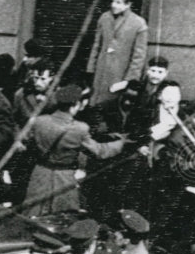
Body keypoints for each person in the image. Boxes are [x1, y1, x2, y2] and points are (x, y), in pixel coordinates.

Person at [24, 85, 125, 215]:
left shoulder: (39, 121)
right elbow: (100, 152)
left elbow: (26, 140)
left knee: (32, 213)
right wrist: (122, 142)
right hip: (64, 178)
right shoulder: (80, 128)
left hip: (39, 174)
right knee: (62, 217)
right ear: (77, 104)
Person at [86, 0, 148, 106]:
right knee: (94, 103)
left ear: (128, 5)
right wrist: (91, 69)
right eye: (113, 1)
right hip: (101, 71)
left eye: (118, 3)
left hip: (120, 74)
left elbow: (139, 56)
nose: (113, 5)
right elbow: (96, 45)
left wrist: (129, 81)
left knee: (112, 105)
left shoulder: (139, 24)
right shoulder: (104, 18)